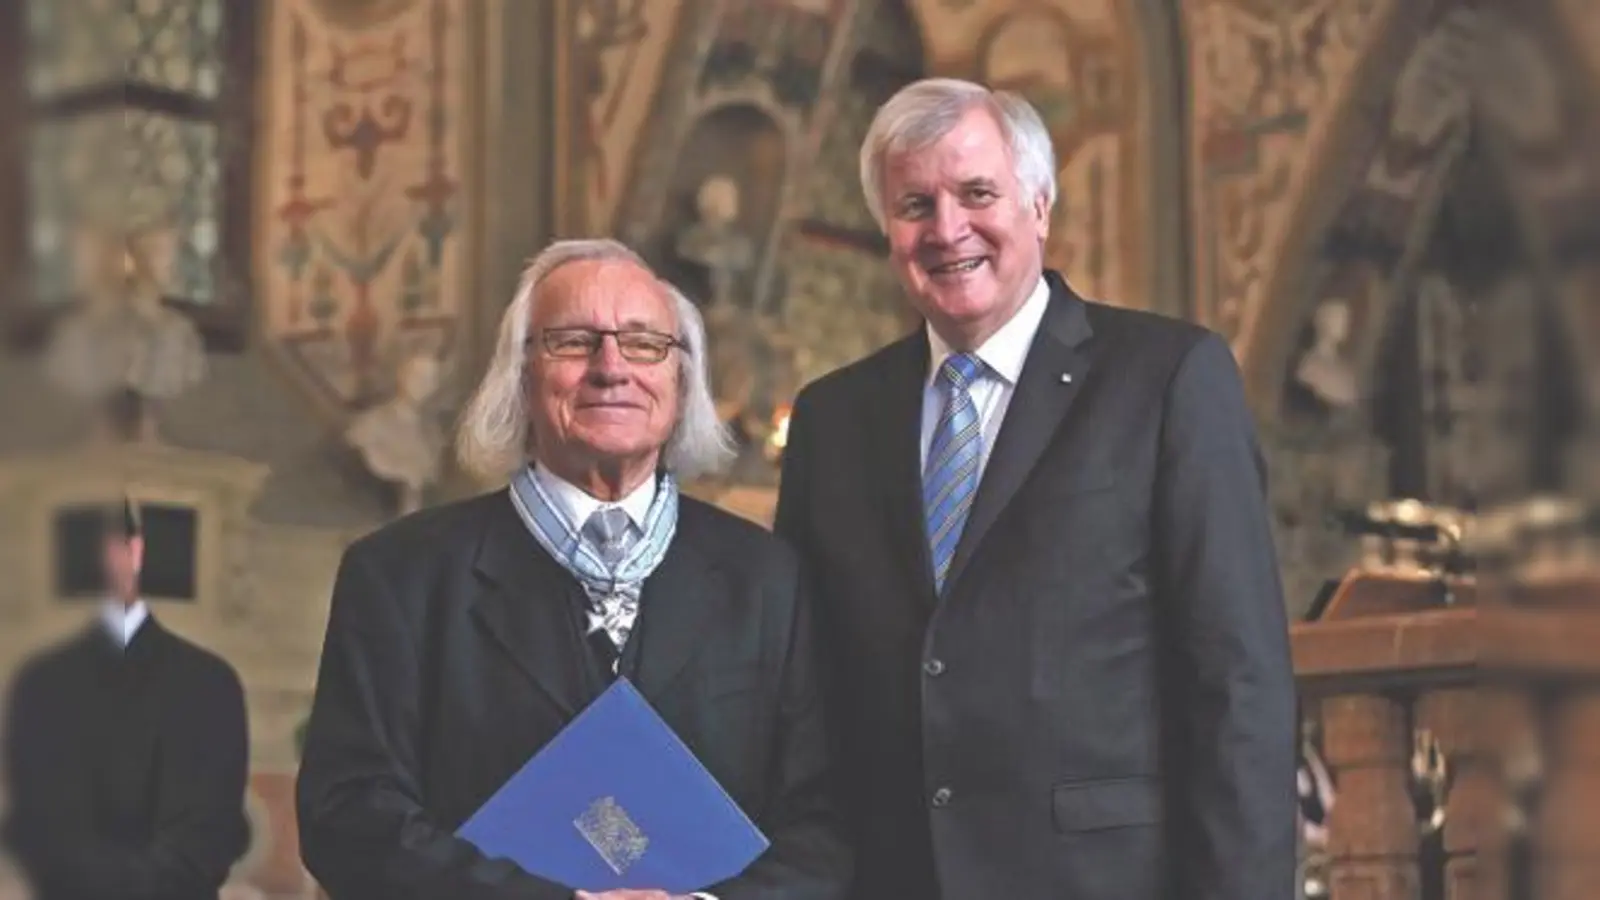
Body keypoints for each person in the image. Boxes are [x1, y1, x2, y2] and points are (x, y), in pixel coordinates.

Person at [774, 77, 1297, 900]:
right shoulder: (831, 419)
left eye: (977, 193)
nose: (948, 229)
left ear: (1040, 207)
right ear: (888, 232)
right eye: (915, 205)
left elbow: (1239, 684)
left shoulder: (1167, 378)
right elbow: (801, 692)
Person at [296, 238, 851, 900]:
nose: (611, 366)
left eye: (644, 343)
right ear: (520, 374)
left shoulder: (768, 580)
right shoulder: (399, 576)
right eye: (573, 341)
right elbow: (350, 816)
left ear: (680, 379)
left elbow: (825, 822)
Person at [2, 496, 252, 900]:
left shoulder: (208, 681)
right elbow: (34, 828)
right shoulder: (39, 683)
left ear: (135, 552)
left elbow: (209, 831)